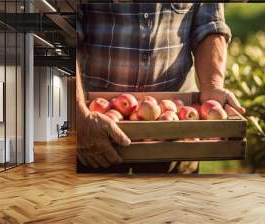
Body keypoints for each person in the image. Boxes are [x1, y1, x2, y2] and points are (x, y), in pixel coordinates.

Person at [76, 3, 245, 174]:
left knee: (176, 199)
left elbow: (210, 26)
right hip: (96, 127)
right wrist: (77, 112)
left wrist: (213, 86)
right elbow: (63, 29)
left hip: (177, 128)